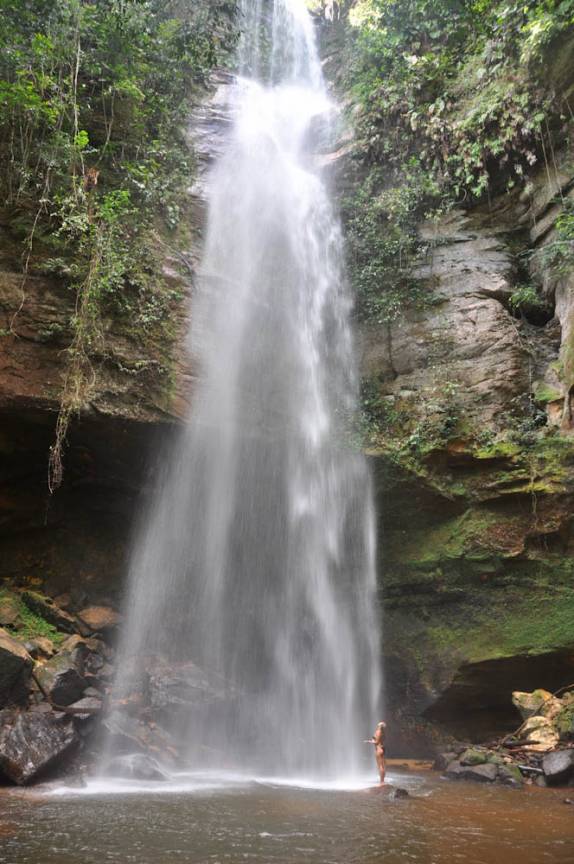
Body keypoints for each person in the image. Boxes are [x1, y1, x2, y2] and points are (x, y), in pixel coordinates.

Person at [367, 721, 386, 785]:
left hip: (378, 749)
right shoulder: (383, 732)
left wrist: (369, 741)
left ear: (380, 726)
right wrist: (373, 740)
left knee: (380, 766)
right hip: (382, 748)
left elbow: (376, 742)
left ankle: (381, 782)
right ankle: (382, 781)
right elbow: (378, 740)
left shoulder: (378, 731)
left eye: (378, 725)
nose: (377, 726)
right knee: (382, 766)